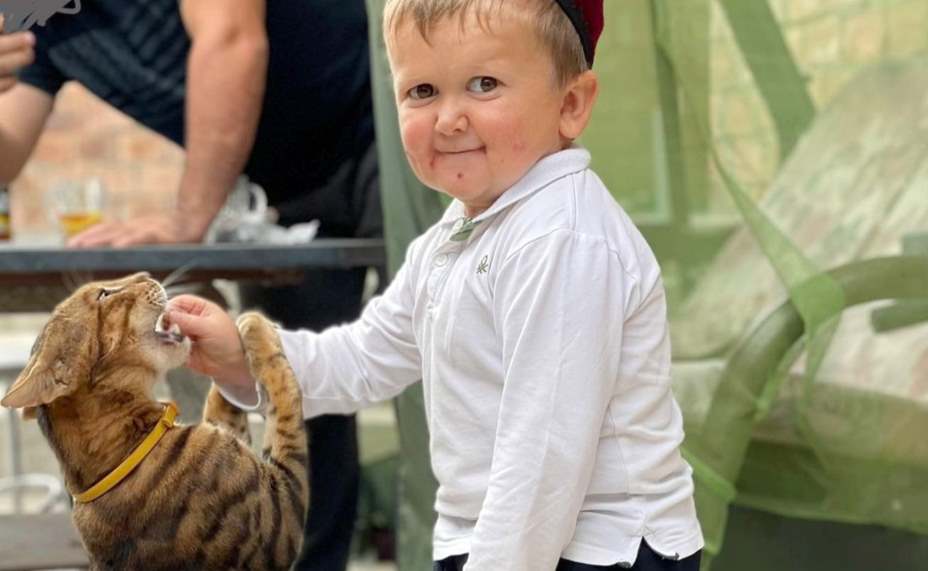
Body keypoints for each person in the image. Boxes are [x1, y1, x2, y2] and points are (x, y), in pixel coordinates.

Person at [168, 0, 705, 569]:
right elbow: (363, 358)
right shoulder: (454, 237)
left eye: (484, 84)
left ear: (570, 105)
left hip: (602, 548)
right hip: (498, 540)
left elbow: (544, 456)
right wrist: (244, 361)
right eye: (422, 91)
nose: (448, 119)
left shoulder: (562, 239)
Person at [0, 2, 379, 569]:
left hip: (382, 130)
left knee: (450, 364)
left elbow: (231, 40)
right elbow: (6, 153)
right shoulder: (36, 18)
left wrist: (187, 221)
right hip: (283, 189)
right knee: (297, 403)